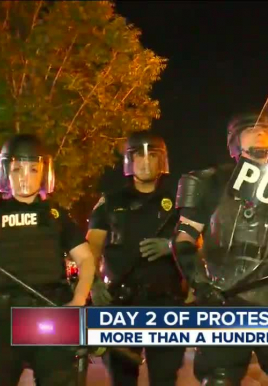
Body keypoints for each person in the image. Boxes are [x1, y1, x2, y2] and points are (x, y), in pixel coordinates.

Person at [171, 113, 268, 385]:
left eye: (266, 129)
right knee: (219, 378)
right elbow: (183, 238)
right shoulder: (209, 183)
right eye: (252, 129)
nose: (260, 133)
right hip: (226, 299)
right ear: (235, 143)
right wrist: (200, 283)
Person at [0, 134, 95, 385]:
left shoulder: (55, 216)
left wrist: (78, 299)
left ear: (44, 172)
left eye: (33, 169)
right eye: (17, 168)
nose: (24, 176)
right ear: (5, 172)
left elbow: (86, 260)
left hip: (48, 315)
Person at [86, 131, 186, 385]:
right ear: (128, 161)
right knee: (122, 379)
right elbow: (91, 249)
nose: (144, 162)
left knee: (164, 379)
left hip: (166, 305)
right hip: (121, 304)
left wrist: (172, 245)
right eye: (137, 155)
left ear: (161, 160)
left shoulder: (178, 200)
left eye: (151, 155)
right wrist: (94, 285)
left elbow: (198, 243)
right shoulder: (110, 202)